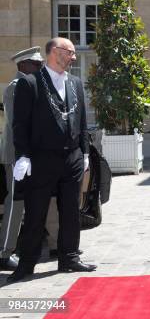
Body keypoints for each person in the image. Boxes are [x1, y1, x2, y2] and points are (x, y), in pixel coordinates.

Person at [7, 37, 96, 284]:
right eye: (70, 52)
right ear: (54, 52)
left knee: (71, 211)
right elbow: (20, 124)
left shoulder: (75, 83)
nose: (74, 57)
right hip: (41, 159)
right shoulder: (30, 83)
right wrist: (22, 155)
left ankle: (69, 257)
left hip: (72, 158)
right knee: (36, 212)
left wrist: (85, 152)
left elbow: (82, 121)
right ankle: (26, 264)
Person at [0, 47, 44, 271]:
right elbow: (19, 123)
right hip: (17, 154)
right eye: (36, 65)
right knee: (15, 203)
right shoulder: (17, 87)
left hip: (30, 153)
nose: (39, 68)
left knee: (27, 203)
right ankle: (4, 252)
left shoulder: (31, 85)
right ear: (23, 66)